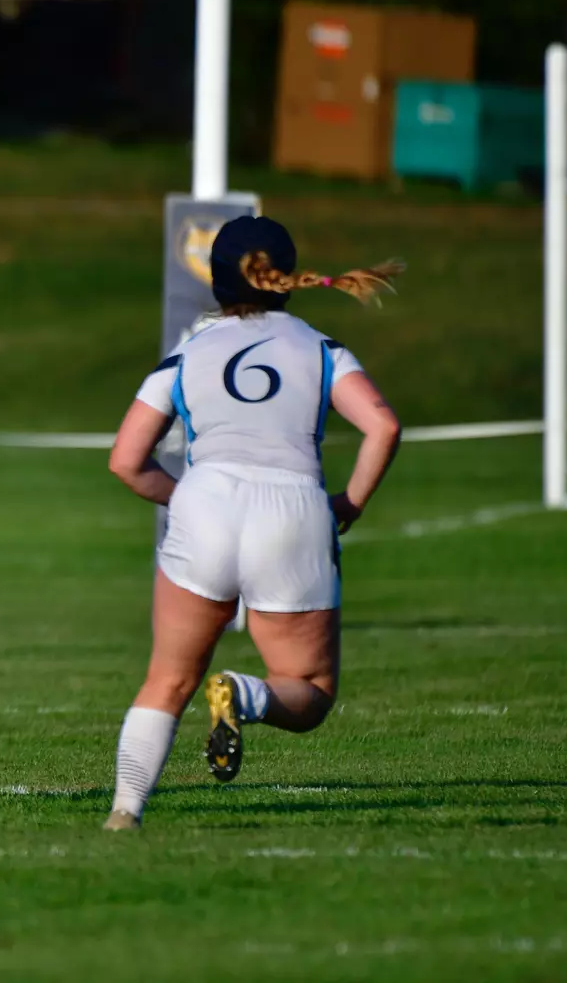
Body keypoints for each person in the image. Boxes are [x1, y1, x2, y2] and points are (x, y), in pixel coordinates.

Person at [101, 215, 404, 830]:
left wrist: (186, 497)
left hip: (204, 504)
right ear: (287, 279)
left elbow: (126, 462)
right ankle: (245, 694)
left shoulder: (186, 353)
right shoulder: (321, 349)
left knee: (166, 679)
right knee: (308, 690)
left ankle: (124, 812)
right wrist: (349, 503)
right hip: (293, 509)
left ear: (215, 283)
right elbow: (383, 427)